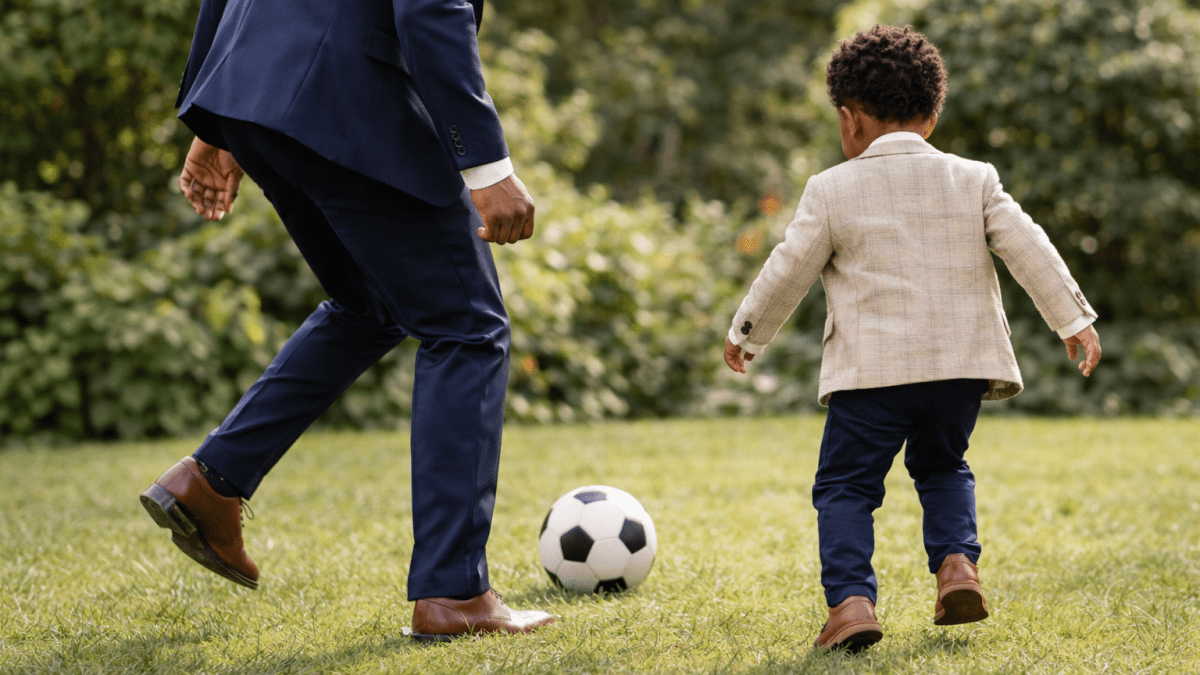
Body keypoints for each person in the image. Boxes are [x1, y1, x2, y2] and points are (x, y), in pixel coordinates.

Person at [139, 0, 554, 642]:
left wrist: (216, 114)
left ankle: (211, 483)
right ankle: (455, 593)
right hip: (348, 98)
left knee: (371, 303)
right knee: (466, 327)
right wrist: (488, 167)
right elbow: (430, 9)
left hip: (255, 89)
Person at [723, 24, 1102, 652]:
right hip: (957, 371)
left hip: (869, 377)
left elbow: (789, 268)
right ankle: (957, 567)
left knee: (846, 487)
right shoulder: (974, 178)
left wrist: (748, 332)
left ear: (848, 121)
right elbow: (1027, 244)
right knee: (944, 466)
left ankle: (849, 605)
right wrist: (1073, 318)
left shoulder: (831, 189)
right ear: (932, 114)